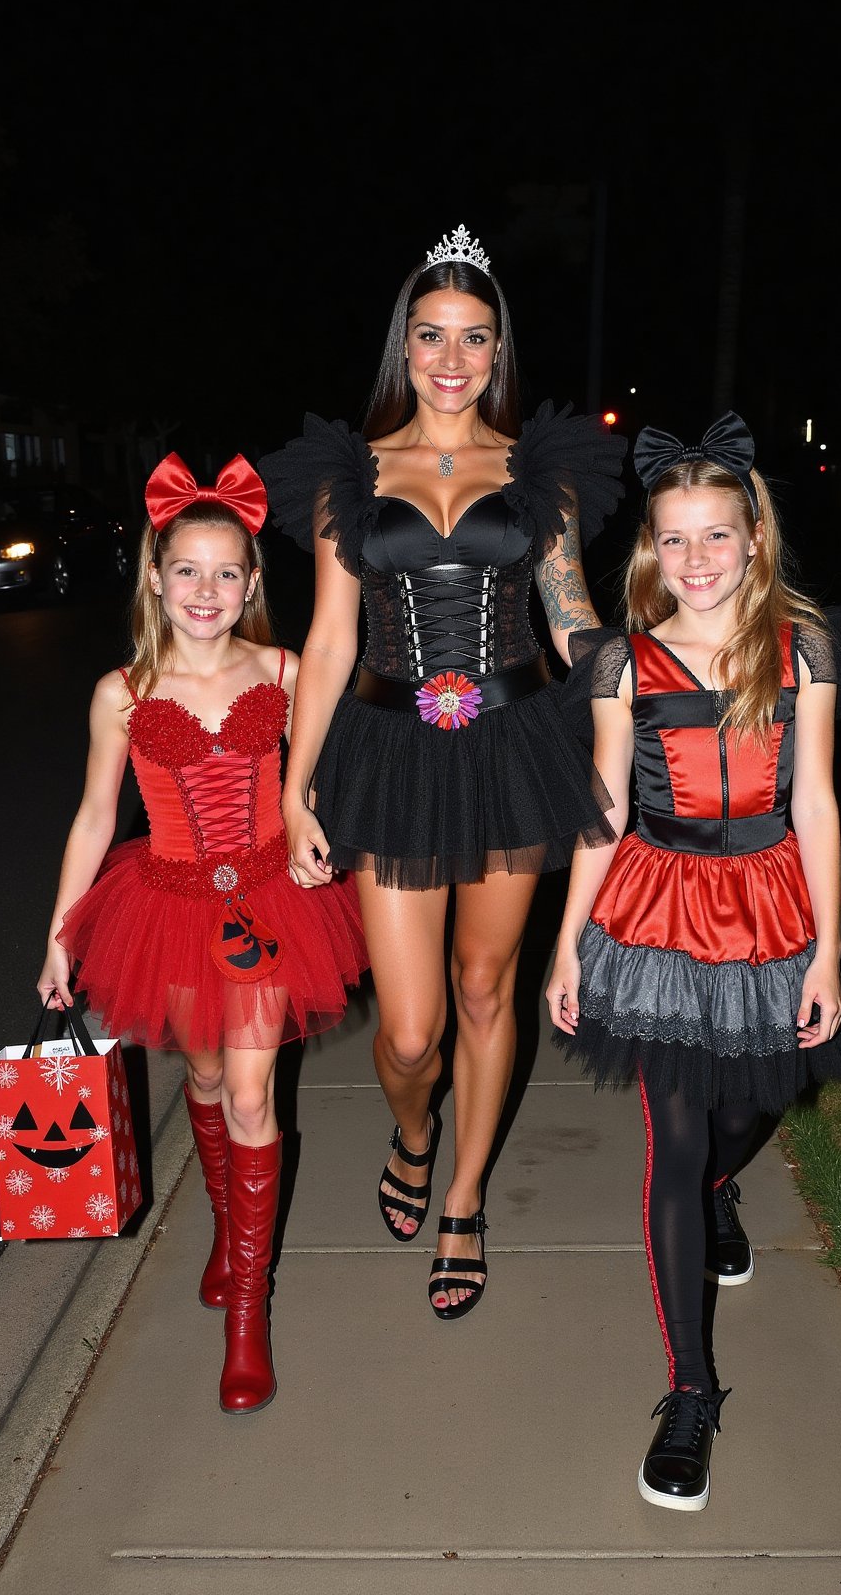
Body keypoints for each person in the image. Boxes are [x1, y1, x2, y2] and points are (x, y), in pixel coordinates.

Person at [259, 224, 625, 1320]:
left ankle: (461, 1195)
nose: (453, 358)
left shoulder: (543, 472)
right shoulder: (351, 475)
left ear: (500, 347)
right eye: (432, 336)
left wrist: (660, 687)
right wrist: (293, 785)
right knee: (408, 1030)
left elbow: (573, 625)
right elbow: (329, 643)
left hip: (514, 750)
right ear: (403, 346)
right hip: (391, 755)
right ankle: (414, 1133)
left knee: (483, 987)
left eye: (475, 336)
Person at [546, 415, 841, 1511]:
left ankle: (720, 1189)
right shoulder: (621, 658)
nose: (696, 561)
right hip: (657, 907)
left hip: (777, 900)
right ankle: (690, 1390)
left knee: (755, 1100)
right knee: (677, 1136)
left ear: (755, 537)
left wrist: (829, 950)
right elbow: (601, 812)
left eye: (717, 537)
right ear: (652, 548)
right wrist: (568, 946)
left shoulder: (803, 647)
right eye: (675, 541)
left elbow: (820, 798)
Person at [37, 453, 367, 1413]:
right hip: (170, 905)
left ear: (254, 582)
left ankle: (247, 1318)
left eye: (229, 572)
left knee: (254, 1091)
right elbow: (96, 819)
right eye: (188, 570)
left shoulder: (289, 670)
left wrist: (316, 831)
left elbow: (329, 781)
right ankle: (230, 1232)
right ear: (155, 574)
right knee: (210, 1081)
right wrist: (60, 933)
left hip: (271, 904)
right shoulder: (122, 692)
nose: (207, 590)